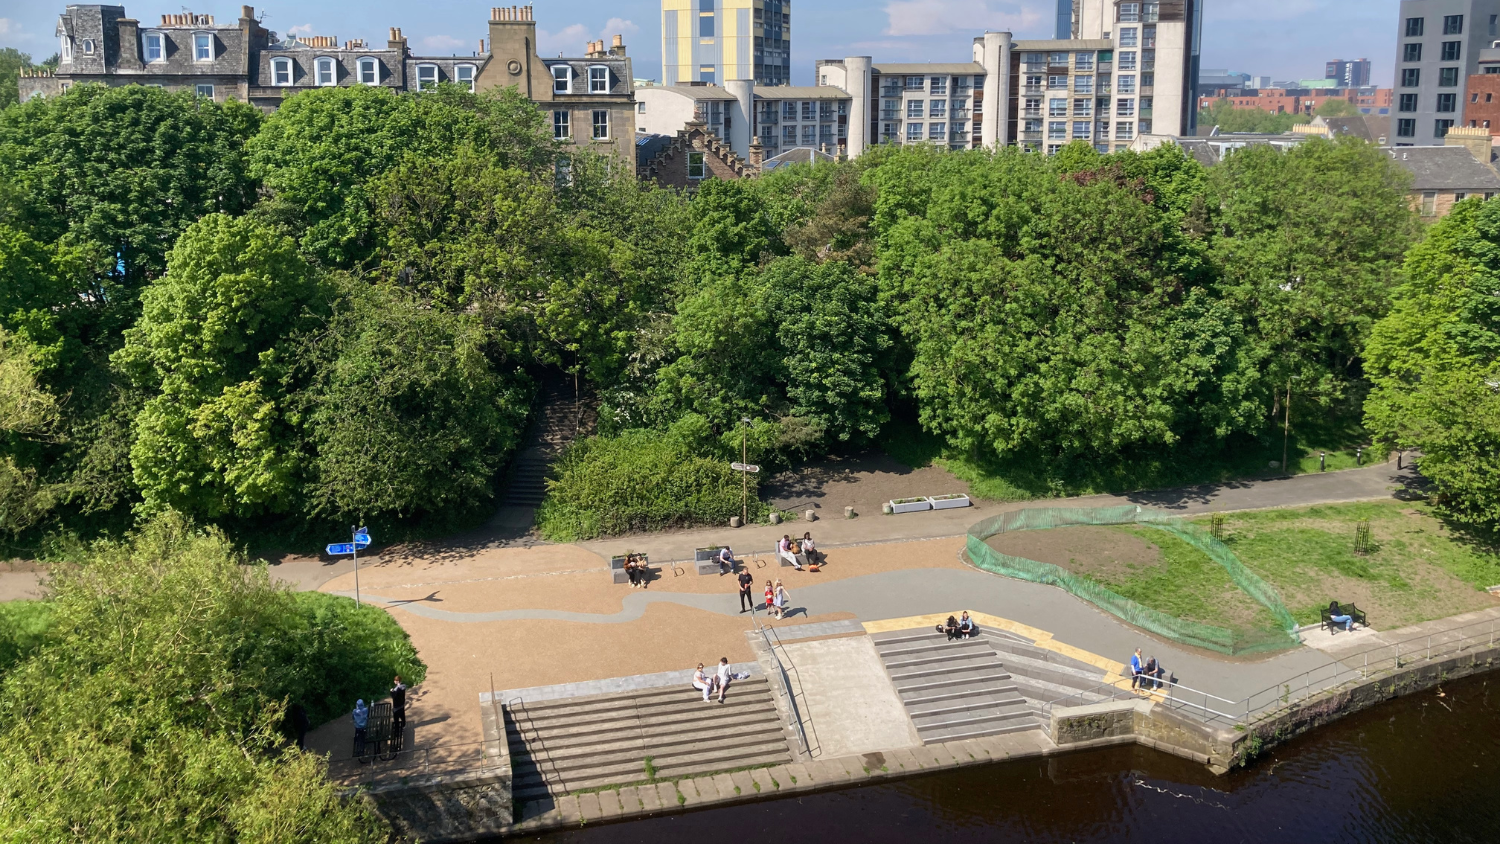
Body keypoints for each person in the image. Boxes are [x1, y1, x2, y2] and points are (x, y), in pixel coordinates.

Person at [390, 676, 408, 748]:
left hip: (396, 707)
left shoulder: (397, 689)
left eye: (395, 680)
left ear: (397, 681)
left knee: (396, 719)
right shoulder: (403, 687)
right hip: (401, 705)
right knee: (402, 715)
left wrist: (391, 691)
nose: (394, 681)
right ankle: (403, 725)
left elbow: (394, 696)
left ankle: (397, 732)